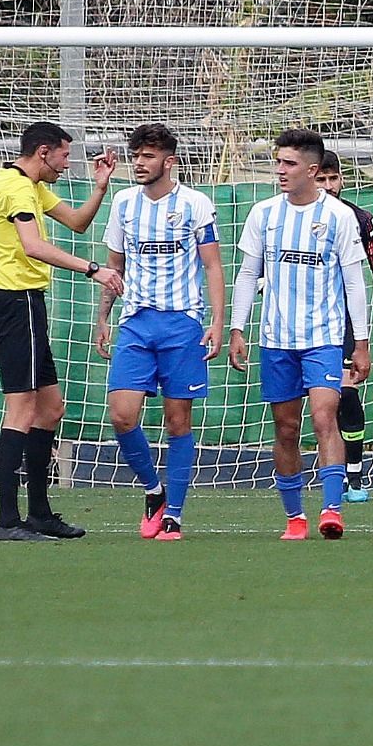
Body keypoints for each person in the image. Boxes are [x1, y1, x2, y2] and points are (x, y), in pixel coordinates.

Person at [0, 122, 123, 540]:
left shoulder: (29, 184)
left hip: (28, 304)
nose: (66, 165)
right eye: (64, 156)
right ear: (44, 152)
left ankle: (40, 514)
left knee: (51, 408)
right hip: (13, 303)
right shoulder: (15, 186)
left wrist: (100, 186)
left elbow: (76, 222)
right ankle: (8, 521)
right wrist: (93, 269)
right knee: (22, 409)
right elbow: (33, 246)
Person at [228, 128, 371, 540]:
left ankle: (331, 510)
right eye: (278, 162)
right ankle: (294, 517)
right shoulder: (264, 214)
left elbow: (354, 282)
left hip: (323, 339)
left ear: (312, 169)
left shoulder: (339, 217)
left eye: (288, 164)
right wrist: (238, 327)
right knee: (285, 428)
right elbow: (247, 273)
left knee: (325, 416)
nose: (280, 171)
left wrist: (360, 342)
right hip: (275, 341)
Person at [95, 124, 226, 540]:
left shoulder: (195, 204)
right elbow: (114, 266)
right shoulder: (123, 203)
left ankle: (175, 514)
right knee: (121, 413)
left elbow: (212, 266)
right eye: (136, 155)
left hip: (182, 324)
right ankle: (154, 490)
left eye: (148, 156)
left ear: (168, 162)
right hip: (136, 323)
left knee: (178, 421)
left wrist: (218, 321)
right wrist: (103, 316)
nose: (138, 162)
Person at [316, 151, 373, 502]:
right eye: (321, 179)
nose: (328, 186)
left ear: (341, 179)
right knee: (316, 405)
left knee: (347, 395)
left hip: (345, 322)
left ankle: (353, 477)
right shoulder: (290, 215)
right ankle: (331, 475)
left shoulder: (361, 219)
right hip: (305, 325)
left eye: (333, 178)